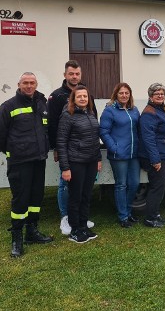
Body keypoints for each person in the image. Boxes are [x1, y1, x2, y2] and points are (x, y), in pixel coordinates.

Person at [0, 72, 54, 258]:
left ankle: (32, 232)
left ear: (36, 84)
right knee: (20, 199)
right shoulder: (9, 106)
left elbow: (46, 128)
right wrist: (12, 151)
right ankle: (16, 239)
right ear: (19, 84)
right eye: (25, 83)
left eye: (32, 83)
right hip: (20, 162)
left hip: (38, 160)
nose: (29, 86)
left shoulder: (41, 103)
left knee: (36, 198)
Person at [48, 60, 97, 235]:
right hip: (71, 155)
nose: (74, 76)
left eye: (77, 74)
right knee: (66, 186)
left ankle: (80, 222)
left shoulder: (87, 96)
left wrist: (96, 157)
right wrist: (56, 149)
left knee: (83, 192)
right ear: (65, 75)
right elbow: (54, 126)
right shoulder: (56, 96)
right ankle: (66, 218)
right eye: (71, 74)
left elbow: (93, 124)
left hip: (88, 156)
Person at [55, 85, 102, 243]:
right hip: (76, 162)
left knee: (86, 196)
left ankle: (83, 226)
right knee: (75, 197)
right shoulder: (68, 115)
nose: (83, 98)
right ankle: (75, 229)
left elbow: (95, 139)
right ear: (73, 99)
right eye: (79, 96)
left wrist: (98, 158)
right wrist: (65, 168)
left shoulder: (90, 113)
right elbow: (61, 142)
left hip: (90, 162)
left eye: (85, 96)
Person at [99, 83, 141, 228]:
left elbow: (138, 129)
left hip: (133, 153)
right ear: (116, 94)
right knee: (121, 185)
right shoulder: (110, 111)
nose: (124, 95)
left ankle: (129, 212)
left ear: (130, 95)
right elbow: (103, 131)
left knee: (134, 183)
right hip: (119, 155)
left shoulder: (134, 110)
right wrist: (113, 147)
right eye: (121, 93)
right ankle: (123, 216)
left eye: (127, 93)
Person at [138, 83, 165, 228]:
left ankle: (156, 214)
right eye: (157, 94)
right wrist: (155, 160)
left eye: (162, 94)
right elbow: (148, 138)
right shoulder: (149, 113)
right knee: (156, 187)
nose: (160, 96)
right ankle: (150, 218)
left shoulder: (160, 110)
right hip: (156, 156)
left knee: (160, 187)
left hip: (164, 153)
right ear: (150, 96)